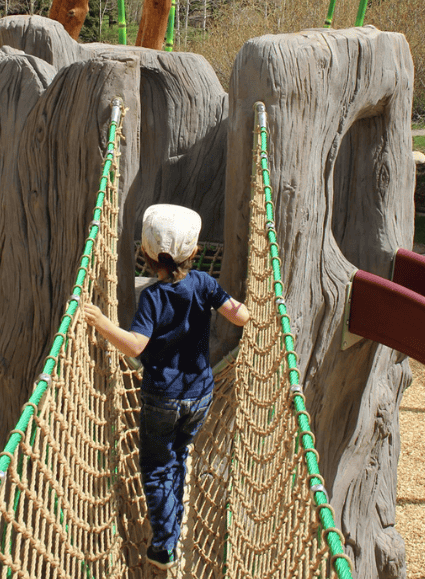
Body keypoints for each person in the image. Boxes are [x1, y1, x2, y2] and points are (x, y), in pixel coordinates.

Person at [85, 203, 249, 573]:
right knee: (178, 452)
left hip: (162, 396)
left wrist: (101, 322)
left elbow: (136, 347)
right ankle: (174, 513)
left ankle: (163, 546)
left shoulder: (153, 298)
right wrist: (246, 310)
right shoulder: (205, 283)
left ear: (145, 254)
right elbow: (239, 316)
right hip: (200, 394)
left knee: (156, 466)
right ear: (195, 252)